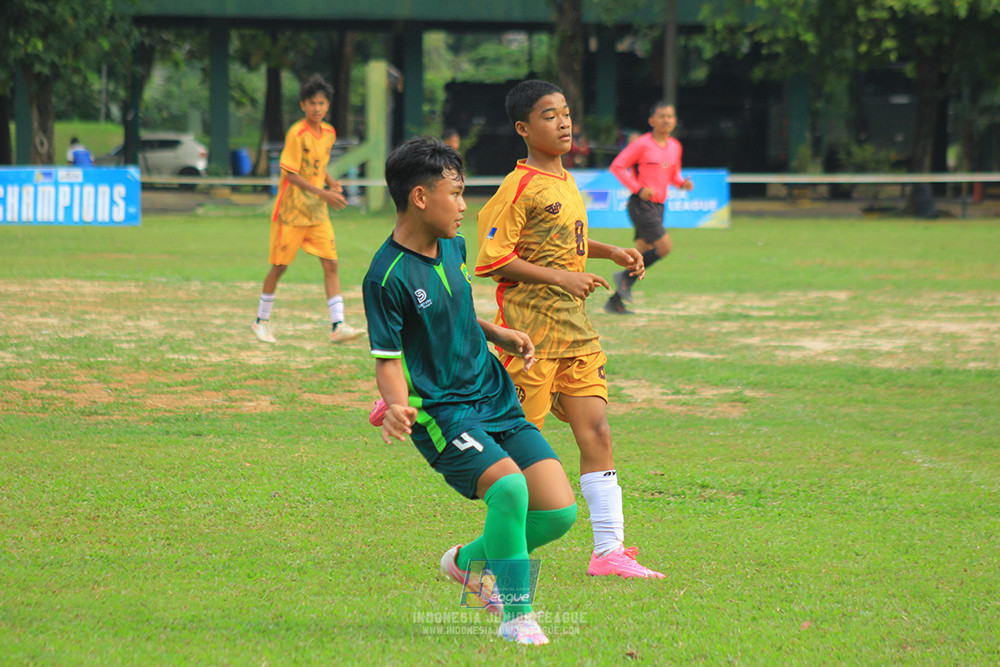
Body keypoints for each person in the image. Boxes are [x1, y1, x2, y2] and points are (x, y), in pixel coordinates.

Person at [364, 136, 578, 645]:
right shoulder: (385, 276)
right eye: (455, 194)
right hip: (442, 410)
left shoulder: (454, 246)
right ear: (420, 197)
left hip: (493, 394)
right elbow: (388, 358)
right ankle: (517, 617)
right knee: (508, 489)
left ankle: (464, 562)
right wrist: (396, 404)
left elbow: (451, 307)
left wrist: (495, 332)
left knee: (558, 511)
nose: (464, 206)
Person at [475, 80, 663, 579]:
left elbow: (566, 242)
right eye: (548, 115)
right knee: (521, 460)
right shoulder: (516, 188)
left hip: (575, 332)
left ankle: (609, 551)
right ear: (523, 128)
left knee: (597, 430)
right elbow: (494, 260)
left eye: (565, 113)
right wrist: (563, 277)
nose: (563, 123)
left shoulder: (563, 179)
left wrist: (611, 251)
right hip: (529, 339)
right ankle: (486, 564)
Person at [251, 74, 364, 344]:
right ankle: (260, 322)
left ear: (327, 105)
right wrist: (324, 193)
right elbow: (291, 175)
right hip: (291, 212)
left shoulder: (329, 133)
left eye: (322, 103)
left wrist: (331, 182)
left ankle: (338, 325)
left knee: (331, 264)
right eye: (312, 103)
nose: (317, 108)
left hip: (316, 213)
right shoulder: (296, 134)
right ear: (303, 105)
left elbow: (318, 165)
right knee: (279, 267)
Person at [605, 101, 693, 315]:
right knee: (665, 248)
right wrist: (637, 188)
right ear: (651, 121)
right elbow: (616, 167)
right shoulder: (642, 145)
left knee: (640, 255)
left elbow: (673, 174)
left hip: (659, 206)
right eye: (662, 116)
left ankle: (615, 302)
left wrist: (682, 183)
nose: (666, 120)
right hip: (641, 205)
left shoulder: (675, 146)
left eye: (670, 116)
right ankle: (623, 278)